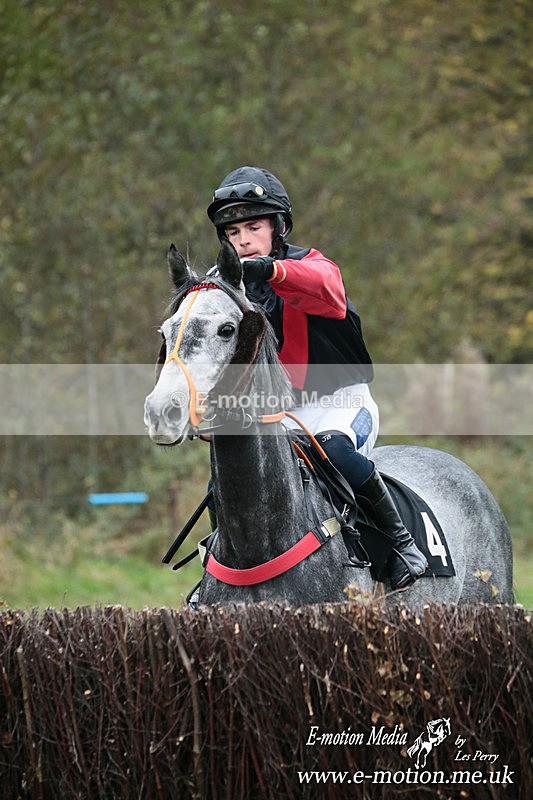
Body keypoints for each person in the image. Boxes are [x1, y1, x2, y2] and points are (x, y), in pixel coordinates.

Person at [206, 165, 427, 590]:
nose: (244, 240)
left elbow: (328, 288)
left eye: (254, 227)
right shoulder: (227, 287)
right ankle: (218, 572)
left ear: (279, 227)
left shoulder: (309, 265)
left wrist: (269, 271)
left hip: (339, 404)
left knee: (335, 454)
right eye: (234, 233)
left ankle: (399, 546)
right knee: (225, 479)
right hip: (278, 413)